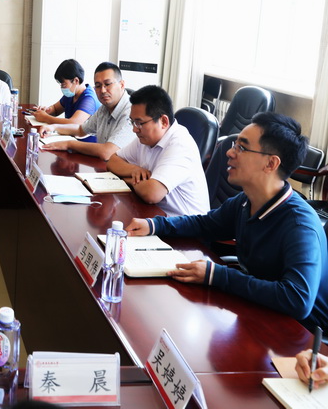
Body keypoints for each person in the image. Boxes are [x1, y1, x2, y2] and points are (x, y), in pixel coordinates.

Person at [126, 112, 328, 332]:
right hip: (260, 311)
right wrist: (155, 225)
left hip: (302, 334)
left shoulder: (300, 225)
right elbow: (204, 224)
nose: (229, 153)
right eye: (234, 145)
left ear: (271, 163)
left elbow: (297, 300)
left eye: (242, 147)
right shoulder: (245, 201)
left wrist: (218, 275)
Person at [106, 85, 208, 215]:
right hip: (157, 214)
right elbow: (113, 160)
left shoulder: (180, 144)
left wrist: (126, 180)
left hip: (184, 223)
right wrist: (134, 170)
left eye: (139, 123)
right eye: (132, 122)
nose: (134, 129)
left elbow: (151, 194)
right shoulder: (145, 138)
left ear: (164, 121)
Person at [39, 62, 134, 160]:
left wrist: (69, 144)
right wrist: (53, 127)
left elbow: (107, 152)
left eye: (107, 84)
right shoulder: (104, 108)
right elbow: (81, 130)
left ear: (122, 84)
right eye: (98, 86)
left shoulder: (132, 113)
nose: (102, 90)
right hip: (102, 166)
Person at [31, 59, 98, 142]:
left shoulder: (89, 99)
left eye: (63, 84)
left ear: (76, 81)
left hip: (85, 145)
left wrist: (46, 118)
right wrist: (47, 110)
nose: (62, 87)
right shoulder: (71, 94)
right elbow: (55, 109)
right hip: (70, 139)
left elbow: (74, 123)